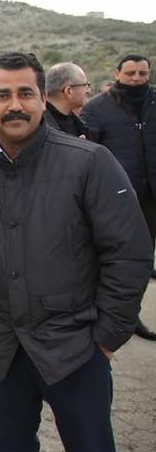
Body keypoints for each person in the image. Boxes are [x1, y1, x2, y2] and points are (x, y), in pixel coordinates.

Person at [0, 51, 150, 452]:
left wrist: (107, 337)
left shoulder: (90, 162)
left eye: (25, 93)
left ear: (43, 99)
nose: (15, 105)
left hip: (76, 346)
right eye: (2, 95)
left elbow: (128, 253)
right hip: (2, 352)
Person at [82, 54, 156, 340]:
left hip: (152, 197)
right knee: (119, 260)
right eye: (131, 73)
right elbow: (88, 153)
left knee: (143, 258)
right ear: (117, 74)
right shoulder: (97, 109)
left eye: (142, 73)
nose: (137, 79)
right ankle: (120, 316)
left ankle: (130, 313)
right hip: (119, 200)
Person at [43, 62, 92, 138]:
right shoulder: (40, 129)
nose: (88, 91)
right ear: (68, 91)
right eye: (86, 85)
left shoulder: (78, 125)